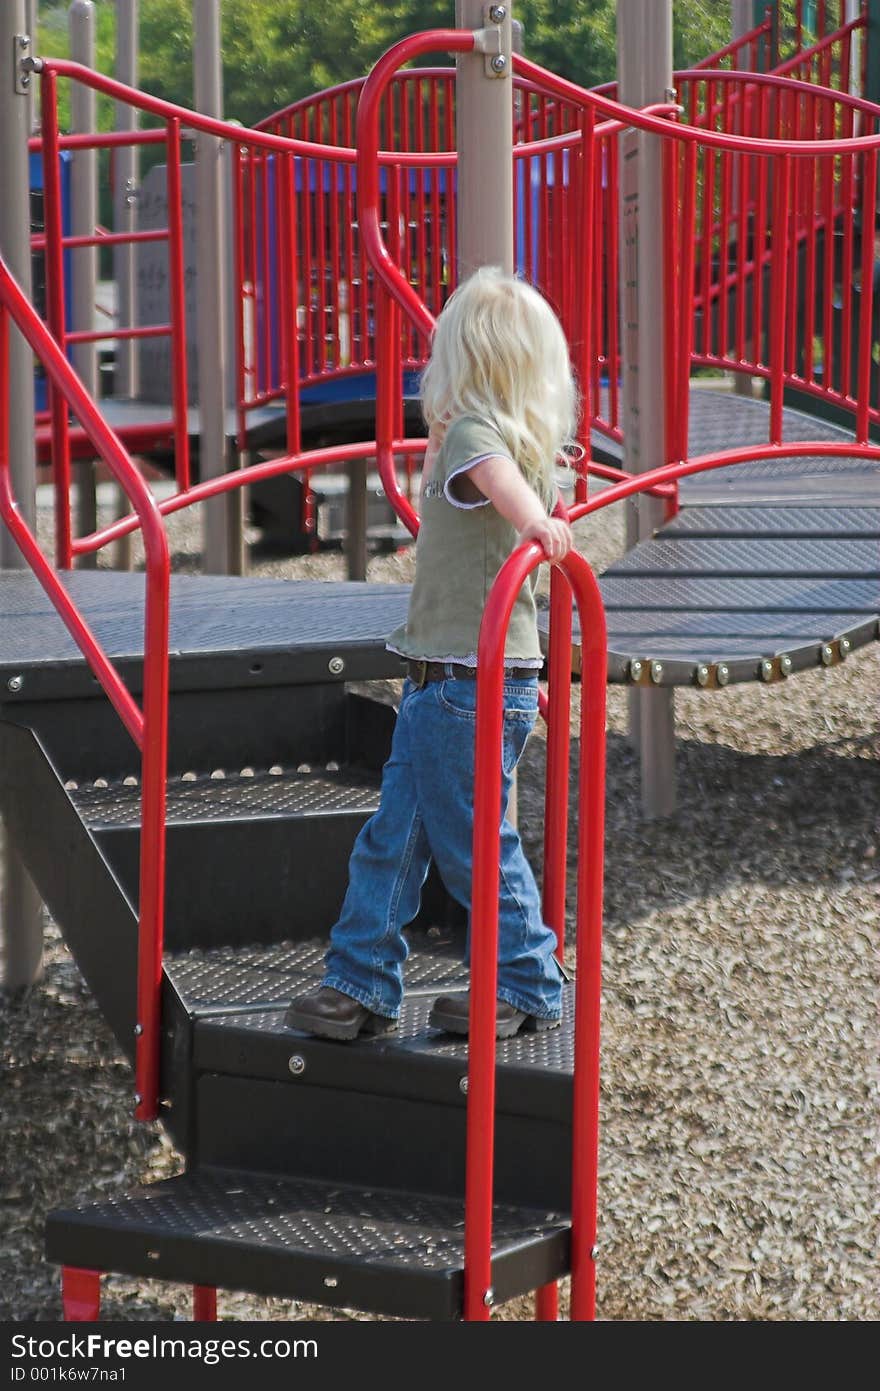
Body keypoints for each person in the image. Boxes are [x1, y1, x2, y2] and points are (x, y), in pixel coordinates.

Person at [284, 266, 577, 1043]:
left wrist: (535, 524)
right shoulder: (524, 446)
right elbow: (509, 487)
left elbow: (499, 484)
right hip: (449, 681)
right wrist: (540, 514)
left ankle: (527, 977)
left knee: (473, 841)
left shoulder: (481, 440)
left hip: (462, 682)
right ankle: (360, 982)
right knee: (396, 836)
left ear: (464, 361)